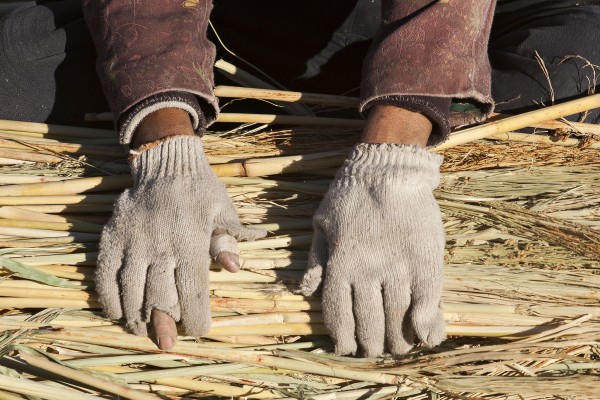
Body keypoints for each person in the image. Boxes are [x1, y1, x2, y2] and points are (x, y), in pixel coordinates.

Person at [0, 0, 598, 357]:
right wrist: (166, 149)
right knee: (13, 70)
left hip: (457, 27)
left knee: (577, 71)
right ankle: (243, 101)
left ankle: (359, 113)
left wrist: (392, 160)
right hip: (223, 19)